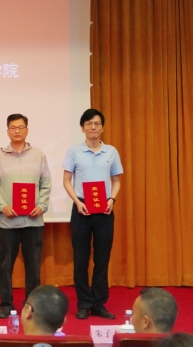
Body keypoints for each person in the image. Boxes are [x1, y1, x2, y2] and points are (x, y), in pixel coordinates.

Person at [0, 114, 51, 318]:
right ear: (7, 131)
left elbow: (46, 184)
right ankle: (6, 305)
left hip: (33, 221)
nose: (17, 131)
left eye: (21, 127)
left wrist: (41, 205)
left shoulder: (39, 155)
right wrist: (2, 206)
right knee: (5, 267)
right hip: (7, 222)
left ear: (27, 130)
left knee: (33, 268)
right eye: (13, 127)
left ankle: (31, 305)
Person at [63, 108, 123, 320]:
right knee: (80, 259)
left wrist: (111, 199)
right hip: (82, 207)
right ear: (82, 128)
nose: (93, 127)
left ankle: (98, 303)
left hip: (104, 209)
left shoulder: (111, 152)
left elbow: (117, 181)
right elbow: (66, 181)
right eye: (88, 124)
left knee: (102, 259)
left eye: (97, 123)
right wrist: (77, 202)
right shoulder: (74, 151)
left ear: (102, 127)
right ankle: (83, 303)